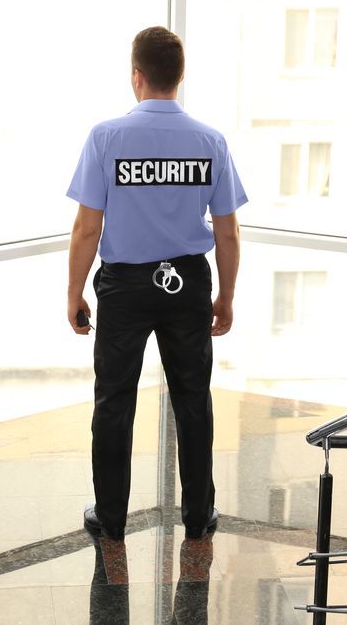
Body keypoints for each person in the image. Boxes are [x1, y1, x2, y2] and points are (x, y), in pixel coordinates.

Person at [66, 26, 247, 541]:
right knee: (193, 399)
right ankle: (197, 516)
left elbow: (87, 227)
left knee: (115, 400)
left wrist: (75, 291)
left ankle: (112, 516)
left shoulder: (106, 138)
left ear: (136, 77)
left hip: (124, 287)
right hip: (186, 283)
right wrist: (225, 295)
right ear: (179, 77)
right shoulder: (210, 142)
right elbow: (229, 230)